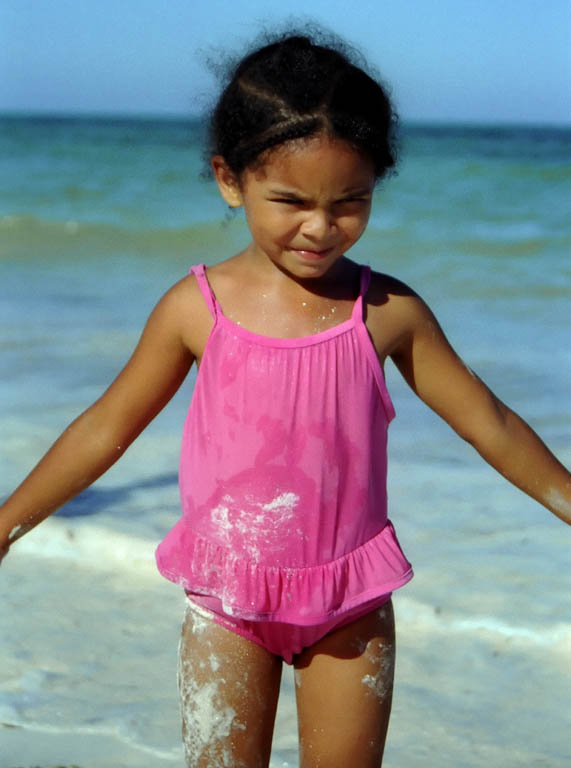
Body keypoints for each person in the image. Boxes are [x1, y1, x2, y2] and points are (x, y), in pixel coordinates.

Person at [1, 30, 569, 768]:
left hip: (351, 605)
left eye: (350, 201)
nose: (320, 226)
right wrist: (10, 521)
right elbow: (107, 426)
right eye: (290, 201)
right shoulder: (196, 308)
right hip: (226, 601)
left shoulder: (387, 312)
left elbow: (487, 424)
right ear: (229, 180)